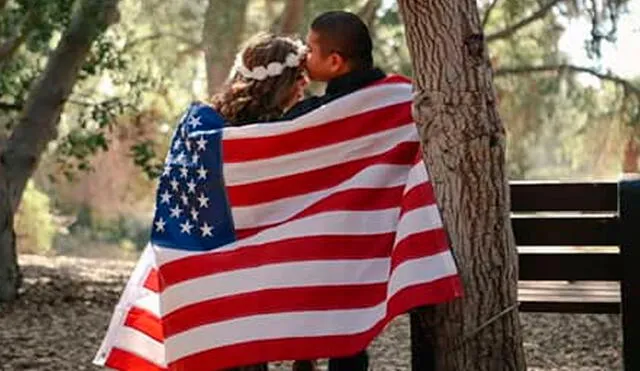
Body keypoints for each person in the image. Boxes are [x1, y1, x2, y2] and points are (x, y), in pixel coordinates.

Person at [288, 10, 386, 371]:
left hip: (338, 248)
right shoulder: (393, 99)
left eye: (310, 50)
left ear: (335, 61)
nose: (302, 57)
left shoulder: (325, 112)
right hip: (372, 248)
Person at [208, 31, 309, 371]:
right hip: (243, 272)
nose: (305, 84)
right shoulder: (275, 134)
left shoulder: (211, 123)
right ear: (279, 81)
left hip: (217, 275)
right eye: (299, 76)